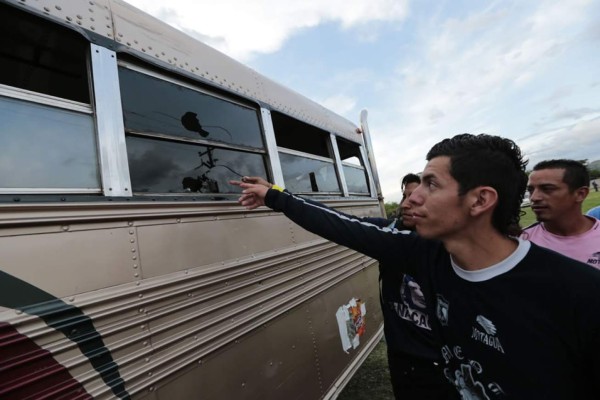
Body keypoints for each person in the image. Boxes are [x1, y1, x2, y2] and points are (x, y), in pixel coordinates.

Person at [232, 133, 600, 398]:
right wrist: (274, 196)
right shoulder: (425, 255)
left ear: (480, 201)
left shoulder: (577, 291)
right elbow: (341, 227)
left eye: (430, 184)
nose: (412, 199)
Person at [236, 174, 456, 399]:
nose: (407, 203)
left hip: (446, 367)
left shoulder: (448, 249)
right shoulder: (392, 234)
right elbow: (336, 221)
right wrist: (277, 194)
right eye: (405, 196)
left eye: (418, 196)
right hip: (404, 362)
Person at [520, 159, 600, 268]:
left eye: (547, 189)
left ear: (580, 194)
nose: (534, 197)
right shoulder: (520, 242)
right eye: (530, 190)